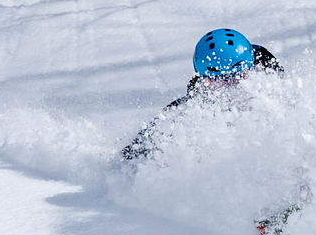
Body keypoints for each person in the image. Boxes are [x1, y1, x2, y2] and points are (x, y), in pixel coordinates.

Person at [121, 28, 283, 160]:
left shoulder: (274, 97)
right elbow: (132, 157)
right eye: (219, 80)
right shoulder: (184, 115)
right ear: (204, 80)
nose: (230, 85)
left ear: (251, 68)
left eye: (238, 76)